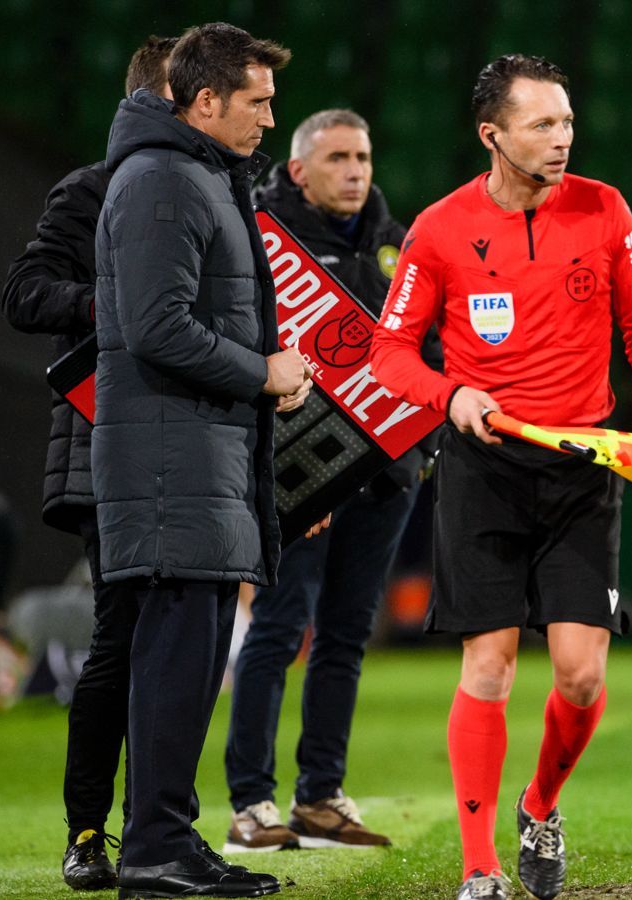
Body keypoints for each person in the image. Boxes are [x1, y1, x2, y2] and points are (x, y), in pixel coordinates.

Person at [369, 54, 632, 900]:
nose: (562, 139)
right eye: (542, 124)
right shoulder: (438, 230)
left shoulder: (604, 207)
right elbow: (388, 352)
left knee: (583, 674)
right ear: (492, 134)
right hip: (484, 465)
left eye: (567, 122)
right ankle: (480, 868)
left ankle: (540, 805)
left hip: (583, 460)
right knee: (490, 665)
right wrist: (451, 394)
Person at [93, 22, 304, 898]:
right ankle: (154, 846)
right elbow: (155, 326)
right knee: (176, 657)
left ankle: (166, 839)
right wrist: (261, 372)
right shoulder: (163, 180)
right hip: (171, 460)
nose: (267, 117)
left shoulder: (196, 175)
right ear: (205, 100)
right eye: (255, 101)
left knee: (189, 654)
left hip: (199, 453)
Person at [222, 108, 426, 854]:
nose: (355, 172)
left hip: (384, 472)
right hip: (298, 475)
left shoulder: (397, 245)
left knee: (344, 635)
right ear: (301, 170)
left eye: (364, 157)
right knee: (277, 632)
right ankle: (251, 802)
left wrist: (418, 446)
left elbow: (426, 347)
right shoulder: (261, 240)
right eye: (338, 157)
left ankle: (319, 795)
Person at [0, 35, 174, 892]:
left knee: (177, 641)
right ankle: (87, 830)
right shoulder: (92, 190)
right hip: (102, 445)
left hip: (191, 448)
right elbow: (25, 293)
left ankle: (157, 828)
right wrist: (120, 307)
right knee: (122, 635)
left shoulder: (222, 193)